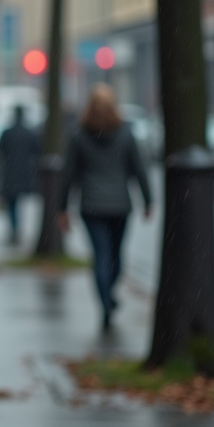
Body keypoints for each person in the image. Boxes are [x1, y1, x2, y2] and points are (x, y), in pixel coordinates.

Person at [58, 84, 152, 331]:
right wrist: (148, 199)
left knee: (101, 254)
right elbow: (138, 168)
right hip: (120, 205)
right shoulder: (125, 133)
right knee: (116, 256)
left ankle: (105, 304)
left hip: (91, 205)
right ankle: (109, 294)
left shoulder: (78, 134)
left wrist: (62, 208)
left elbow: (68, 174)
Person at [0, 105, 41, 244]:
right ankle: (18, 227)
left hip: (10, 172)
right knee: (21, 203)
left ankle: (14, 228)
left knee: (11, 203)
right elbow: (37, 151)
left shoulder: (7, 132)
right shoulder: (30, 133)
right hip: (25, 172)